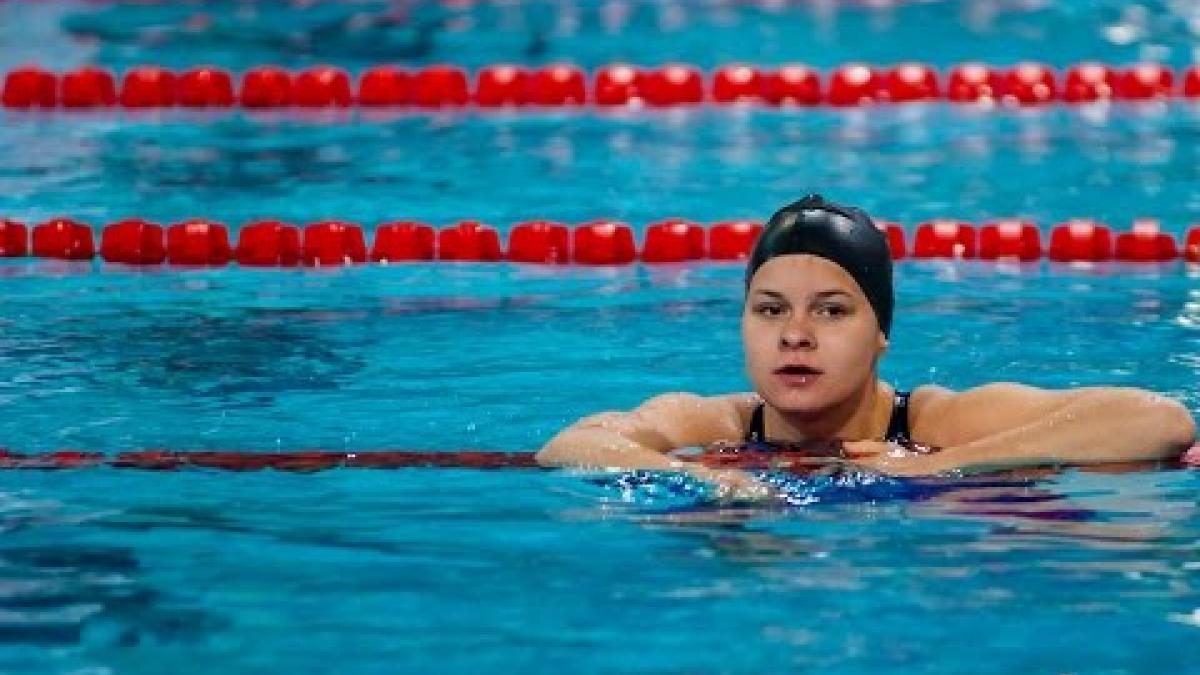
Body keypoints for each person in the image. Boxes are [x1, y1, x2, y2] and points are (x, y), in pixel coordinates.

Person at [536, 194, 1196, 499]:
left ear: (880, 332)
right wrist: (704, 477)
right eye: (770, 310)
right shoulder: (717, 423)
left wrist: (941, 466)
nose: (795, 333)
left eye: (831, 310)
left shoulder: (933, 421)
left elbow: (1158, 420)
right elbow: (569, 446)